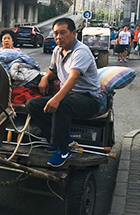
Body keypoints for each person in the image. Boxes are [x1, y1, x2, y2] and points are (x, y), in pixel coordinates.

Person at [26, 17, 102, 168]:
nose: (58, 37)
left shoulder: (81, 52)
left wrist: (56, 98)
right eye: (55, 34)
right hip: (69, 97)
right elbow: (53, 70)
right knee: (32, 104)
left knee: (60, 104)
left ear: (74, 33)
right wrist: (45, 78)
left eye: (63, 33)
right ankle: (60, 140)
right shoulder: (57, 50)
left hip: (88, 98)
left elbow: (73, 78)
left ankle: (63, 150)